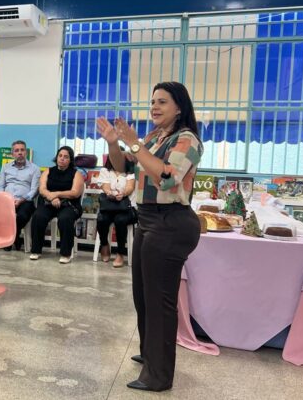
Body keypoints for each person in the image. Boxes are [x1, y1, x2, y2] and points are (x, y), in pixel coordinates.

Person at [97, 81, 203, 392]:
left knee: (160, 302)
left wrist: (135, 144)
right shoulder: (155, 136)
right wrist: (114, 143)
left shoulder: (187, 139)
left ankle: (159, 376)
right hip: (146, 219)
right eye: (152, 102)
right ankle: (150, 354)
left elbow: (167, 178)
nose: (154, 107)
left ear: (179, 107)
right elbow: (121, 168)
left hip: (171, 223)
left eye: (162, 102)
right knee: (143, 297)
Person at [29, 146, 85, 263]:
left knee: (65, 219)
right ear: (57, 157)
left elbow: (75, 193)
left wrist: (56, 194)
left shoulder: (77, 174)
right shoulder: (48, 171)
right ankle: (36, 250)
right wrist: (52, 197)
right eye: (60, 156)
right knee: (38, 216)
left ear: (70, 160)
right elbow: (42, 189)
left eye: (66, 157)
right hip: (48, 203)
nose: (62, 159)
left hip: (69, 205)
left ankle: (65, 253)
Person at [0, 140, 40, 251]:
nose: (20, 152)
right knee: (0, 215)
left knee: (22, 216)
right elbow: (0, 186)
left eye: (22, 150)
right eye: (16, 150)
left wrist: (21, 200)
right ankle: (15, 238)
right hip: (7, 201)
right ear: (12, 154)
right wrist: (5, 199)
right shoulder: (5, 167)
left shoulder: (34, 168)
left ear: (26, 152)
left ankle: (11, 238)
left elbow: (34, 190)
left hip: (25, 201)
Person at [95, 151, 135, 268]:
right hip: (109, 206)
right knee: (102, 219)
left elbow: (130, 187)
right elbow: (105, 186)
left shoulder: (130, 173)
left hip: (126, 208)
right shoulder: (105, 171)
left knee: (120, 220)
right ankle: (104, 245)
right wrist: (109, 193)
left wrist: (123, 193)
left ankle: (120, 253)